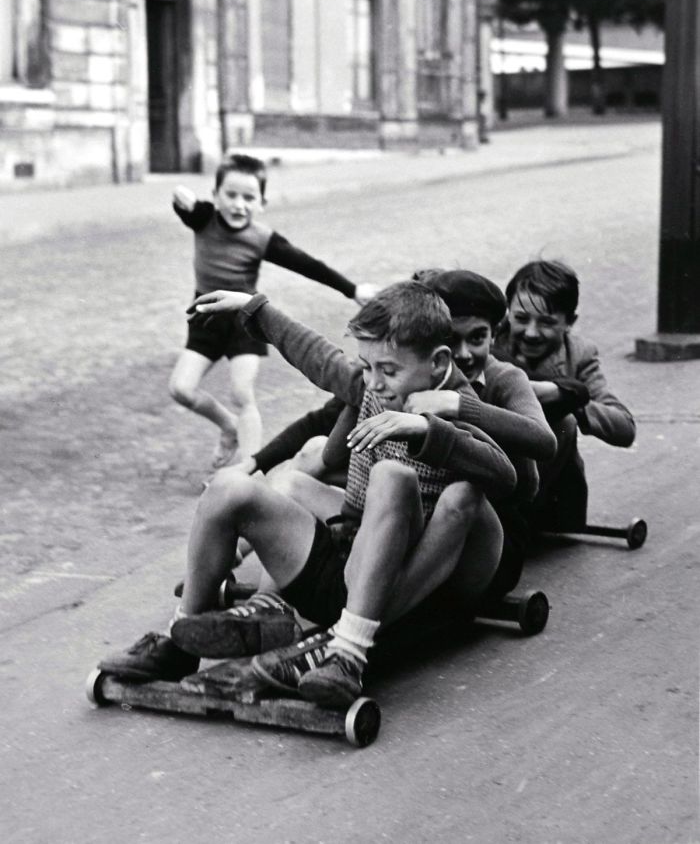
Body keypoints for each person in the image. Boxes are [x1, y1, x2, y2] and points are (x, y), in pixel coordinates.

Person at [99, 282, 516, 708]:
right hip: (344, 560)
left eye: (389, 371)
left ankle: (347, 656)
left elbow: (505, 474)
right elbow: (316, 356)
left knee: (393, 475)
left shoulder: (454, 404)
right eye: (368, 368)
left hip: (402, 584)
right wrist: (256, 310)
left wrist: (429, 430)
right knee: (228, 488)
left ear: (438, 362)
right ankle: (179, 642)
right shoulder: (372, 384)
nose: (375, 384)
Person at [232, 268, 556, 601]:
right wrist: (258, 460)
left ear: (494, 335)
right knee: (313, 452)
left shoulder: (502, 378)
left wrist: (457, 405)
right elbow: (324, 390)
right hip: (417, 505)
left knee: (457, 493)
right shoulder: (395, 375)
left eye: (476, 338)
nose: (462, 353)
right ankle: (252, 568)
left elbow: (540, 448)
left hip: (481, 525)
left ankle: (369, 615)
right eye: (450, 339)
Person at [168, 152, 374, 468]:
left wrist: (352, 289)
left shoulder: (262, 238)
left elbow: (307, 265)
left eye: (249, 198)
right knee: (180, 388)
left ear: (262, 203)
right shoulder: (204, 218)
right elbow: (189, 210)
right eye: (231, 195)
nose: (239, 204)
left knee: (242, 393)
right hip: (204, 319)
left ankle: (247, 472)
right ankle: (228, 426)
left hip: (244, 321)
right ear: (215, 197)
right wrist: (181, 202)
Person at [493, 259, 636, 533]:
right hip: (495, 469)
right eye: (521, 319)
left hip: (547, 495)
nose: (532, 333)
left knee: (564, 421)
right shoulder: (487, 340)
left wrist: (568, 400)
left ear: (570, 322)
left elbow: (625, 427)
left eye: (547, 322)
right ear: (507, 312)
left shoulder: (580, 354)